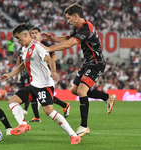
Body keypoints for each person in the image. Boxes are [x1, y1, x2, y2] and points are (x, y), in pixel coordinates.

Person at [41, 3, 116, 137]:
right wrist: (53, 39)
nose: (68, 21)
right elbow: (68, 38)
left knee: (82, 91)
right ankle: (106, 97)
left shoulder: (87, 28)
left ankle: (84, 126)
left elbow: (70, 43)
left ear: (76, 17)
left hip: (96, 63)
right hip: (88, 63)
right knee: (74, 90)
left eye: (69, 18)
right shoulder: (79, 27)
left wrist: (50, 48)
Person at [0, 23, 81, 144]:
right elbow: (24, 64)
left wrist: (53, 71)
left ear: (25, 35)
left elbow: (50, 59)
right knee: (13, 101)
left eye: (18, 37)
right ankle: (23, 125)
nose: (17, 41)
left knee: (49, 111)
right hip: (34, 85)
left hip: (44, 84)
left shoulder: (37, 46)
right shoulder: (24, 48)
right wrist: (10, 74)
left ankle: (74, 135)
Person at [29, 27, 71, 122]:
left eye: (36, 33)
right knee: (33, 93)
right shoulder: (30, 46)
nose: (34, 34)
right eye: (32, 33)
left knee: (46, 97)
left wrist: (46, 63)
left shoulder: (45, 45)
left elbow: (54, 58)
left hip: (46, 74)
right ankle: (37, 116)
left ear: (40, 34)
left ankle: (65, 105)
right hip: (35, 74)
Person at [15, 47, 31, 115]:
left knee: (28, 91)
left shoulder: (31, 48)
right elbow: (18, 61)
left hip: (29, 73)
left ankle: (25, 109)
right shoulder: (20, 49)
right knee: (21, 90)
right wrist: (16, 73)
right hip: (22, 73)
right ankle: (19, 107)